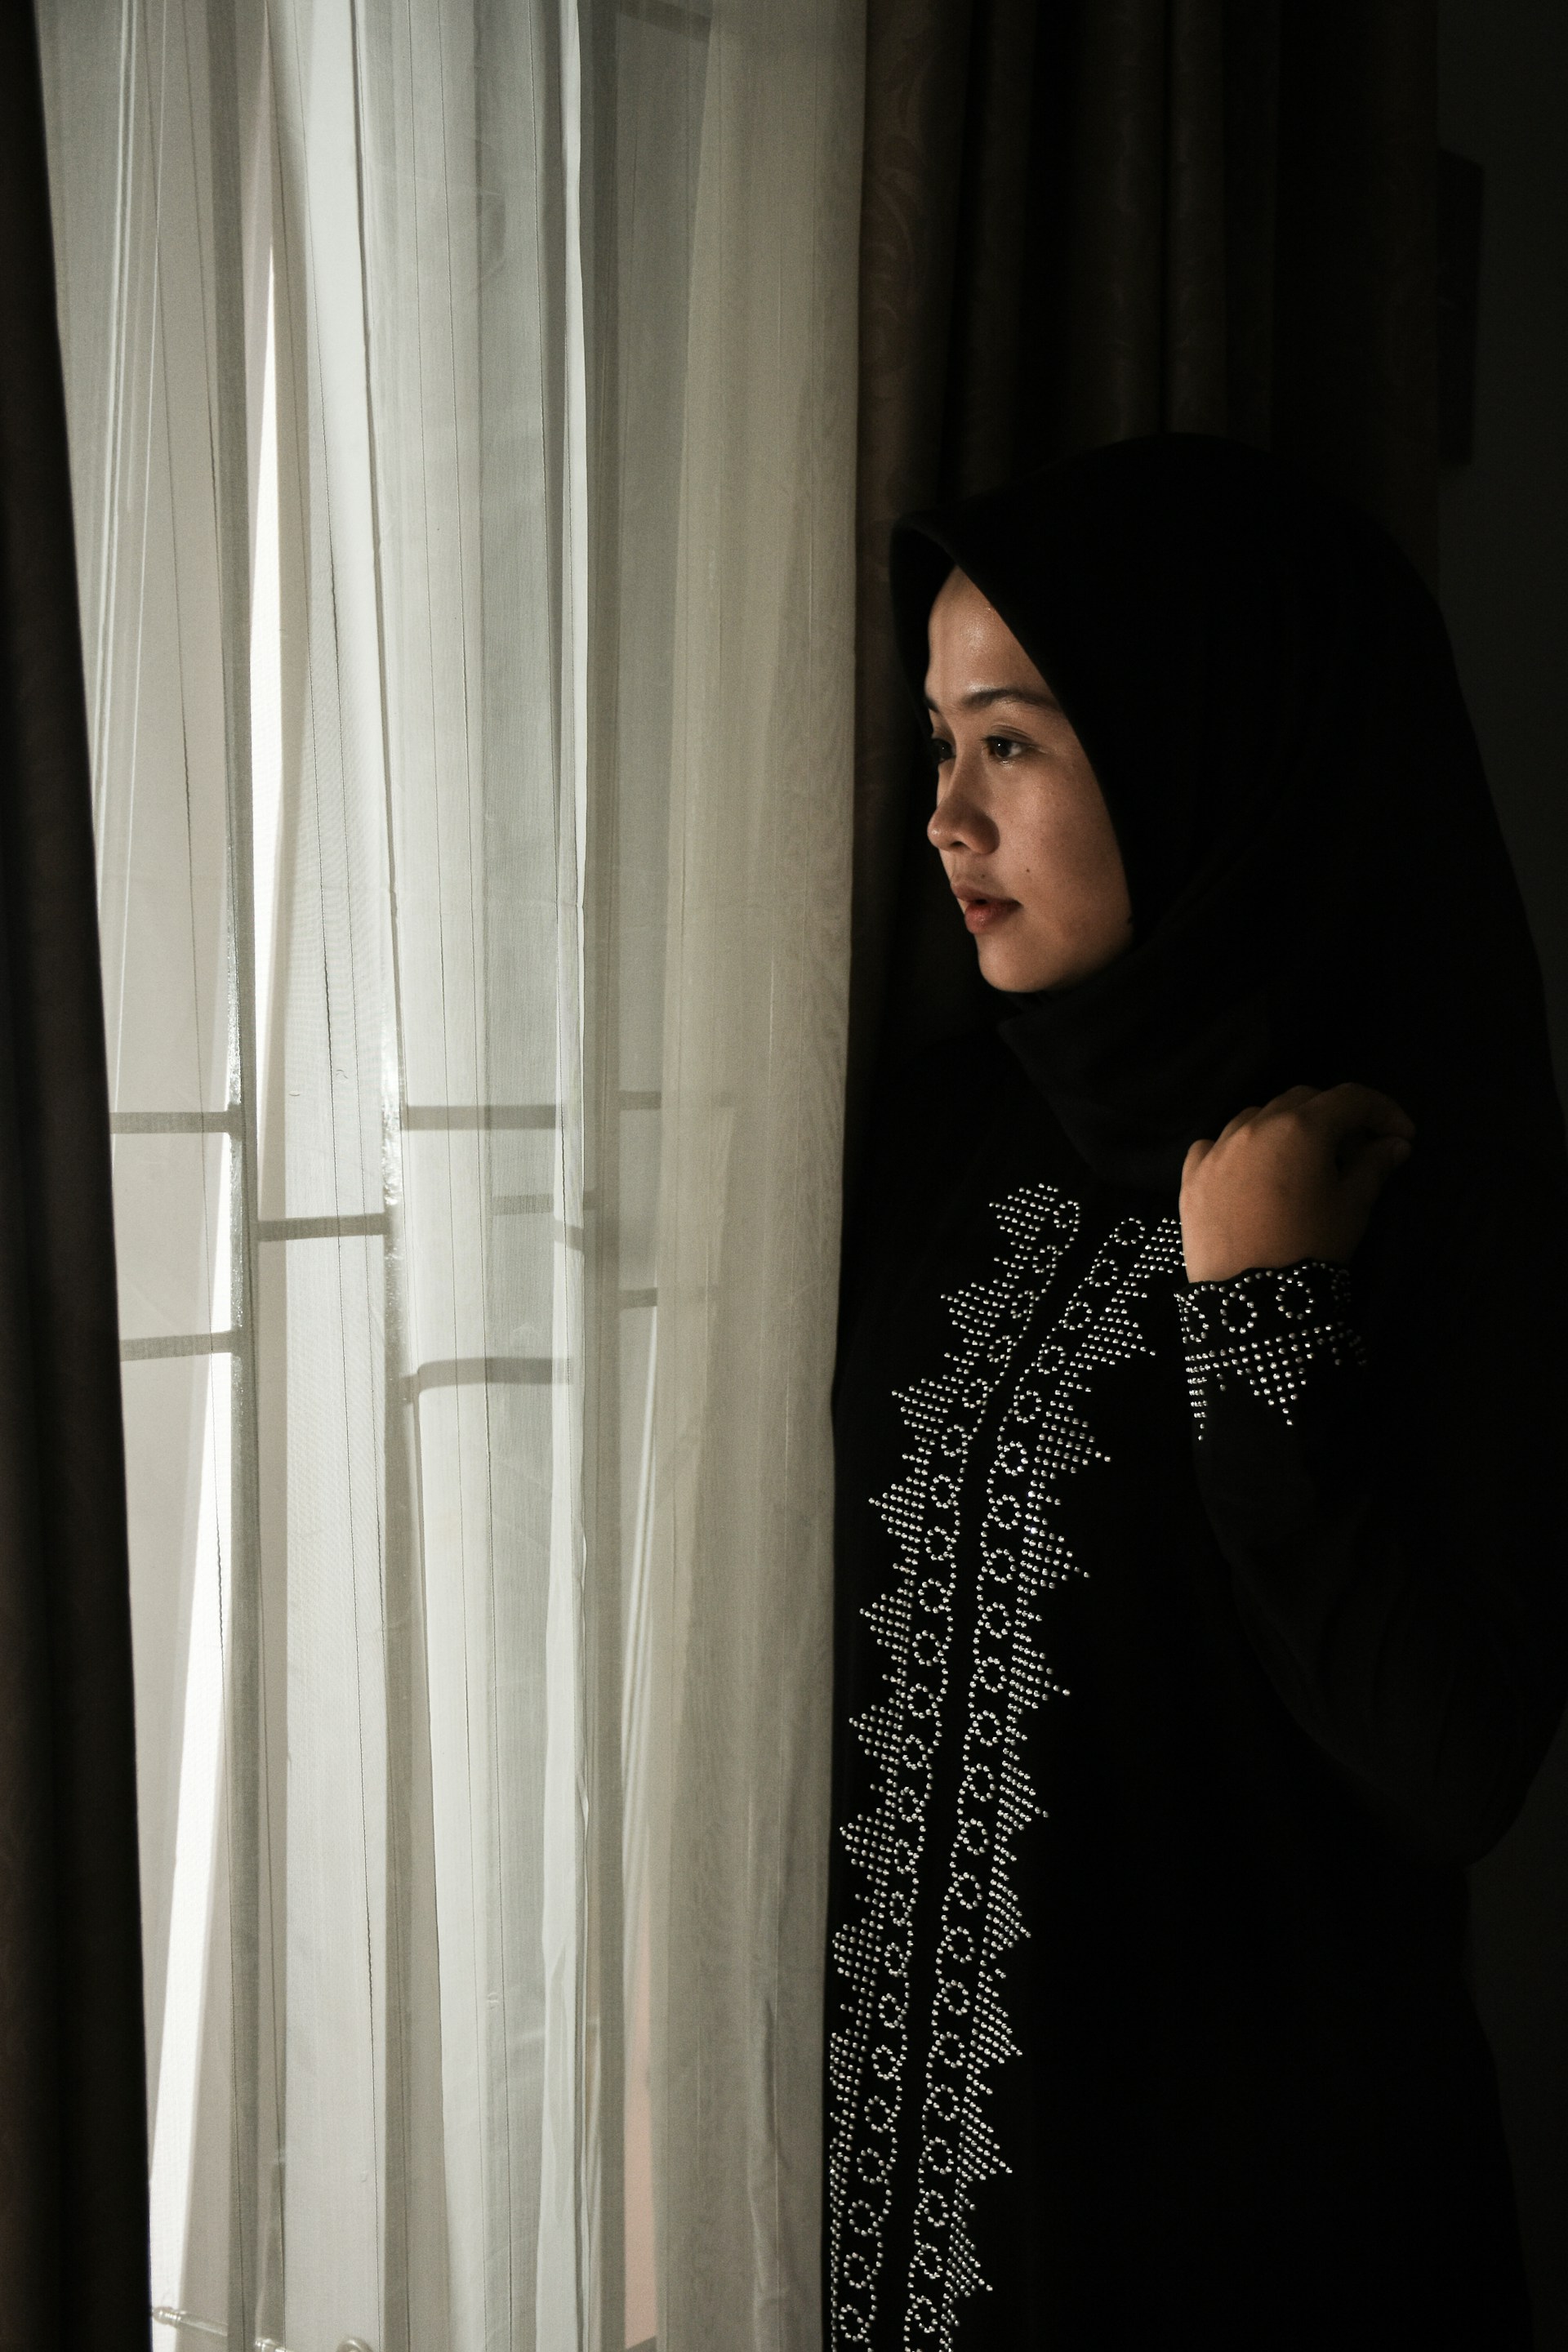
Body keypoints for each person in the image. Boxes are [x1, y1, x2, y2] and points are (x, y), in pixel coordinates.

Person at [824, 434, 1568, 2349]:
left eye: (1014, 739)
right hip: (895, 2228)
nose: (944, 821)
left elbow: (1453, 1768)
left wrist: (1258, 1319)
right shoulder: (928, 1137)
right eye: (939, 743)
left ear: (1210, 753)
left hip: (1255, 2253)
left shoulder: (1416, 1168)